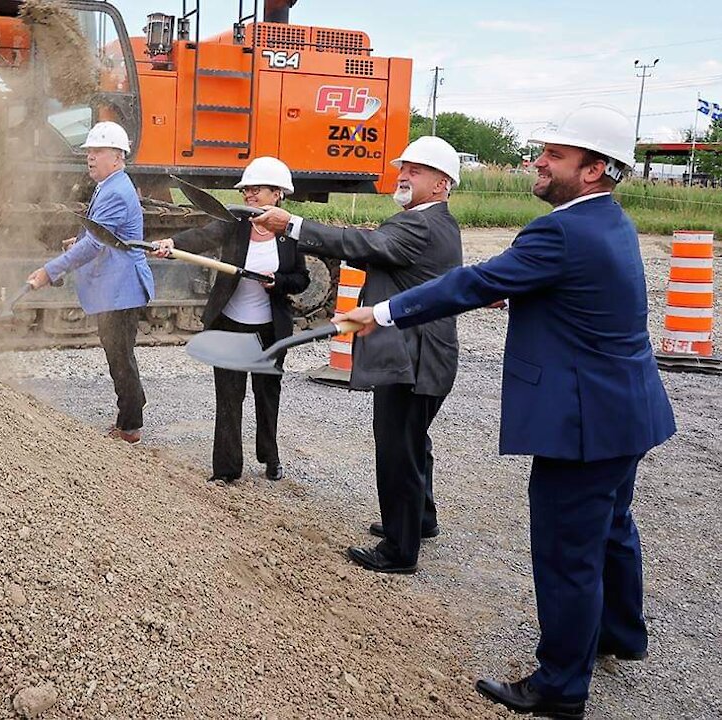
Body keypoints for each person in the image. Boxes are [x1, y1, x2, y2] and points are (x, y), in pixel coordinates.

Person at [336, 104, 676, 718]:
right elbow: (568, 291)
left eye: (555, 155)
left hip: (581, 423)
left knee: (567, 551)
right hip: (628, 412)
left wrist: (380, 312)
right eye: (541, 150)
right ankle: (622, 636)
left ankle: (560, 688)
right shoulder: (610, 222)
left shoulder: (560, 231)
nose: (538, 162)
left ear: (595, 169)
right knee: (614, 529)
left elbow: (472, 282)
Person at [251, 137, 464, 574]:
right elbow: (383, 251)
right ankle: (420, 519)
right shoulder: (440, 223)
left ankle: (400, 549)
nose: (404, 174)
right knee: (414, 439)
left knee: (397, 448)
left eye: (417, 170)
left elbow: (358, 245)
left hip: (411, 359)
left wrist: (291, 223)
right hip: (429, 354)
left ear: (442, 184)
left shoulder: (418, 225)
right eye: (403, 167)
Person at [151, 157, 310, 482]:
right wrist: (172, 243)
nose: (249, 194)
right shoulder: (234, 222)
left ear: (278, 194)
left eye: (256, 189)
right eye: (246, 189)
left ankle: (270, 457)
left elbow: (301, 279)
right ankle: (226, 469)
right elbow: (202, 236)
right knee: (228, 398)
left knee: (267, 397)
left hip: (270, 332)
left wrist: (277, 281)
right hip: (230, 326)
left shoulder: (289, 234)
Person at [26, 121, 153, 444]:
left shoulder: (116, 190)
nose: (90, 157)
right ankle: (132, 410)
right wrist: (78, 238)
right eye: (89, 152)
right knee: (118, 354)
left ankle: (130, 426)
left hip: (121, 289)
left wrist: (49, 271)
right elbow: (98, 233)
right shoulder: (109, 185)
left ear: (118, 157)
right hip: (115, 287)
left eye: (97, 151)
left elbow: (96, 244)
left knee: (120, 356)